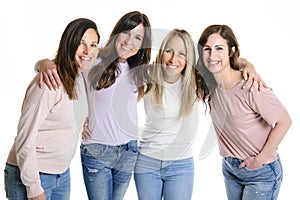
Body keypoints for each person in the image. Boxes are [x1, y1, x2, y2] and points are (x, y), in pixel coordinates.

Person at [36, 11, 152, 200]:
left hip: (129, 150)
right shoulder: (93, 58)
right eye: (126, 33)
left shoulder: (138, 71)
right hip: (97, 150)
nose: (129, 41)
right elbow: (64, 64)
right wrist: (43, 63)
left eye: (138, 37)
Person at [4, 18, 100, 200]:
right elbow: (25, 139)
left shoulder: (79, 77)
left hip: (61, 175)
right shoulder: (49, 83)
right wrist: (34, 189)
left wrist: (81, 126)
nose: (88, 51)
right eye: (81, 44)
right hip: (32, 176)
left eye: (93, 45)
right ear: (69, 43)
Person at [196, 24, 292, 200]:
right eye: (207, 49)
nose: (212, 55)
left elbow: (284, 121)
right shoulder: (209, 86)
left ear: (231, 51)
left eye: (219, 49)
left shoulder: (250, 86)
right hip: (231, 169)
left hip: (260, 172)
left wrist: (260, 159)